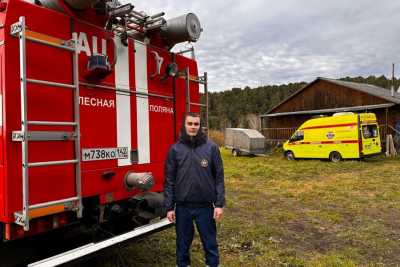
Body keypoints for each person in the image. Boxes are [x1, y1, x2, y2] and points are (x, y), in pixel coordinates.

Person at [164, 112, 225, 267]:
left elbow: (219, 177)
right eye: (190, 123)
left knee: (210, 243)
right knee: (182, 245)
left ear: (200, 126)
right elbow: (169, 180)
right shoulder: (175, 150)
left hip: (205, 207)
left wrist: (218, 204)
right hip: (183, 207)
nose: (193, 127)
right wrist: (169, 207)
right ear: (184, 126)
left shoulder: (211, 148)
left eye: (196, 124)